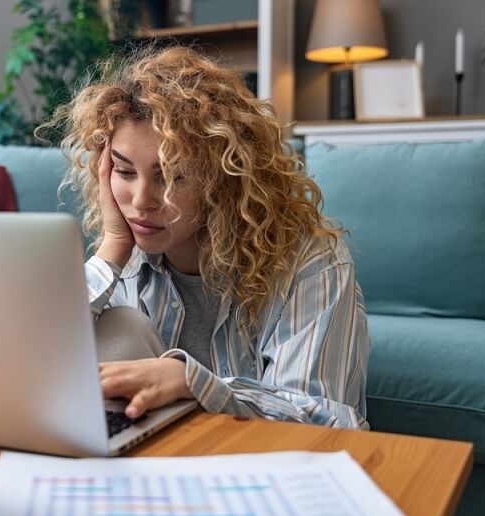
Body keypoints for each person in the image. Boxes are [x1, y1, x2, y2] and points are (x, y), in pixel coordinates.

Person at [52, 45, 370, 430]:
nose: (140, 202)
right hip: (152, 462)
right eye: (124, 171)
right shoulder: (127, 257)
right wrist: (112, 248)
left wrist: (193, 383)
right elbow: (34, 362)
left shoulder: (310, 260)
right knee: (119, 327)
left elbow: (328, 420)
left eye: (172, 175)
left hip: (256, 466)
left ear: (223, 175)